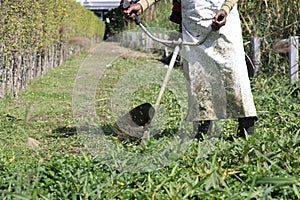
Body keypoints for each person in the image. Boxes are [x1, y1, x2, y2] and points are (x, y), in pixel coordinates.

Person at [122, 0, 257, 140]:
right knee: (198, 76)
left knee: (233, 72)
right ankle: (202, 128)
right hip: (193, 21)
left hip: (224, 19)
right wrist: (142, 5)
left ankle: (246, 126)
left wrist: (225, 9)